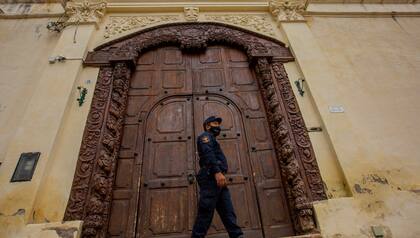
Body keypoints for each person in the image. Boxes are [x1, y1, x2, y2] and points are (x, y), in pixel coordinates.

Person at [191, 116, 244, 238]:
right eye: (215, 123)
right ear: (208, 126)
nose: (218, 126)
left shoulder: (213, 139)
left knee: (227, 210)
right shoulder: (205, 137)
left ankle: (237, 235)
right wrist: (217, 172)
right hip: (212, 177)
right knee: (206, 212)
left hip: (218, 179)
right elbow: (208, 154)